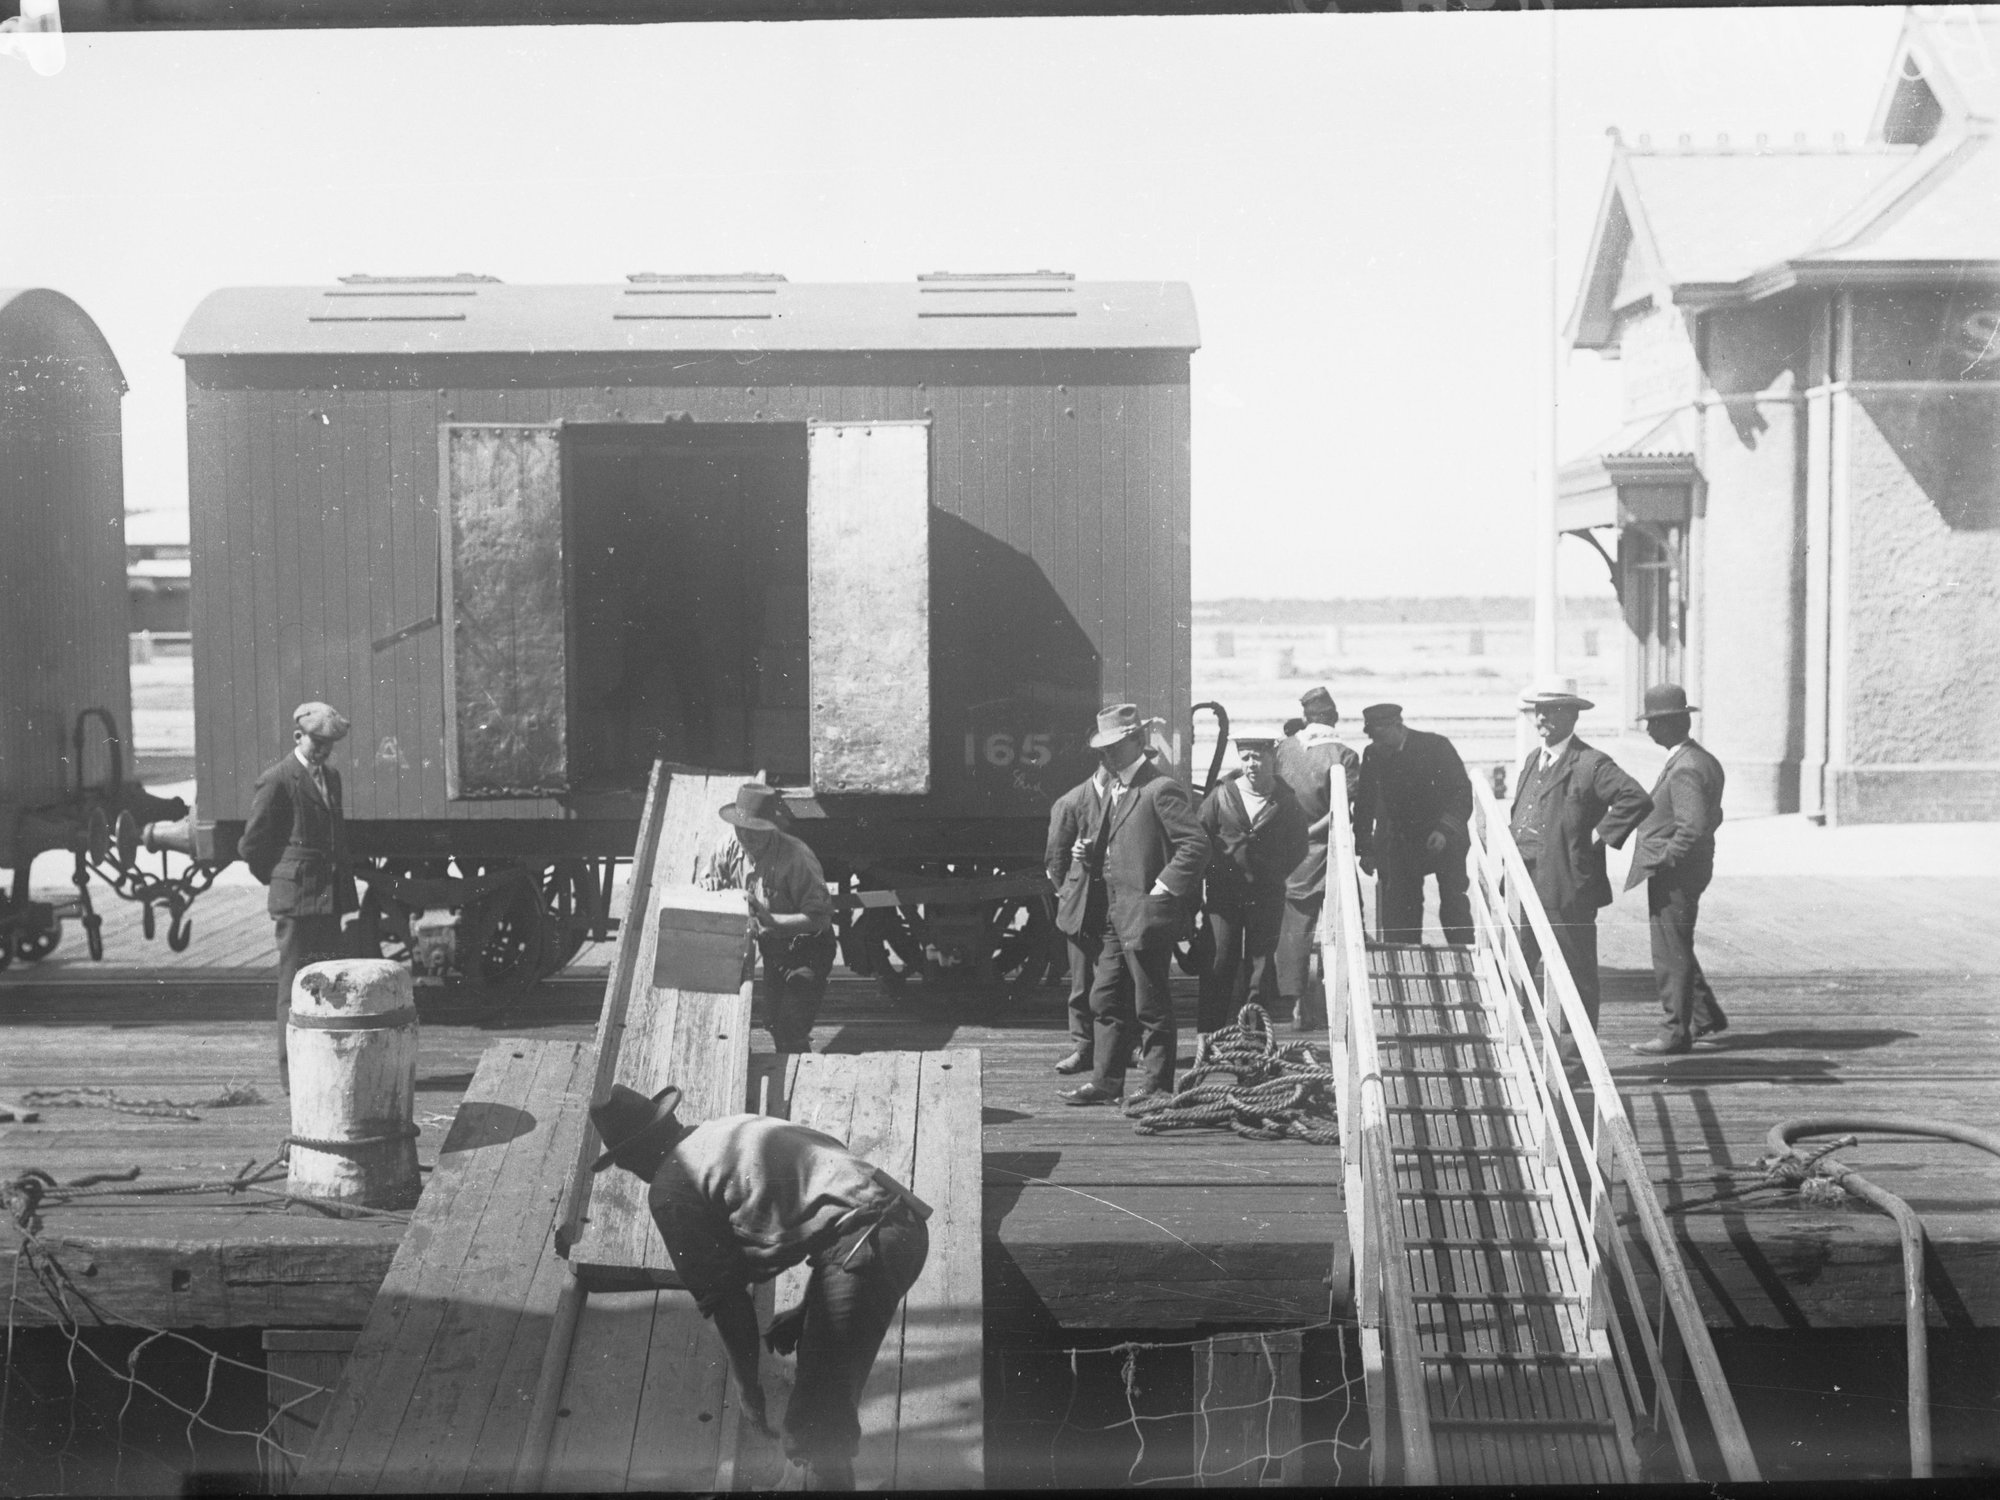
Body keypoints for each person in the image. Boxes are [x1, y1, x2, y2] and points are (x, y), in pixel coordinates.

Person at [589, 1082, 930, 1492]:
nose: (631, 1171)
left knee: (814, 1428)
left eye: (625, 1161)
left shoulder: (671, 1188)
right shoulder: (726, 1130)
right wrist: (808, 1309)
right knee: (821, 1410)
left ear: (631, 1155)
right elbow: (829, 1205)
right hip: (898, 1224)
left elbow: (726, 1300)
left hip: (867, 1242)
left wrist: (748, 1388)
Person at [1052, 703, 1208, 1109]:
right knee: (1104, 998)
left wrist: (1162, 888)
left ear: (1138, 741)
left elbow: (1195, 845)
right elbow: (1121, 845)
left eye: (1114, 746)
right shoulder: (1117, 789)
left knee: (1150, 1004)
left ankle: (1157, 1086)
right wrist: (1089, 854)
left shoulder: (1160, 788)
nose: (1106, 754)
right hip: (1115, 915)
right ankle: (1106, 1083)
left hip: (1145, 914)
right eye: (1102, 748)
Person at [1508, 676, 1651, 1046]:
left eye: (1552, 711)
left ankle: (1575, 1063)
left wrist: (1599, 835)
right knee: (1515, 968)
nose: (1542, 718)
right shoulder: (1533, 760)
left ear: (1572, 716)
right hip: (1523, 884)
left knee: (1573, 977)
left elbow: (1634, 797)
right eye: (1539, 711)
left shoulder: (1591, 764)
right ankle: (1513, 1048)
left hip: (1566, 886)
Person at [240, 702, 356, 1092]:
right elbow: (252, 845)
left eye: (329, 744)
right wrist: (281, 879)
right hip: (296, 901)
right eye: (316, 742)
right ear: (297, 737)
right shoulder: (276, 780)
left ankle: (325, 1067)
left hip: (327, 897)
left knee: (329, 986)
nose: (322, 750)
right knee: (293, 989)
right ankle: (293, 1078)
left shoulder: (331, 777)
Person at [1626, 684, 1729, 1056]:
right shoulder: (1702, 759)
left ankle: (1675, 1033)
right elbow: (1713, 816)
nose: (1649, 729)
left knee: (1670, 951)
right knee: (1677, 943)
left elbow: (1692, 826)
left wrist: (1666, 858)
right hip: (1692, 868)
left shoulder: (1684, 767)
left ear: (1672, 724)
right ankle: (1705, 1016)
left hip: (1676, 873)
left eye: (1654, 723)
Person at [711, 782, 837, 1054]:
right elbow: (712, 884)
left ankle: (801, 1072)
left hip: (808, 949)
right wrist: (708, 887)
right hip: (774, 950)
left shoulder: (796, 857)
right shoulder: (728, 846)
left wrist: (774, 921)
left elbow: (820, 919)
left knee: (791, 1024)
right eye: (741, 828)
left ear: (770, 828)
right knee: (772, 1022)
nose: (746, 836)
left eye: (755, 830)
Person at [1196, 736, 1308, 1033]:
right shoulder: (1220, 796)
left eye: (1258, 757)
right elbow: (1198, 839)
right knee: (1219, 961)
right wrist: (1212, 873)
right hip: (1224, 896)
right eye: (1245, 757)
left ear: (1272, 758)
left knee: (1260, 966)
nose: (1251, 764)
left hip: (1266, 895)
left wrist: (1274, 873)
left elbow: (1299, 846)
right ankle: (1210, 1034)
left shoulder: (1286, 801)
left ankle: (1256, 1036)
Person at [1272, 687, 1360, 1029]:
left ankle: (1295, 1004)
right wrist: (1312, 831)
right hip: (1329, 851)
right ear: (1334, 718)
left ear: (1305, 718)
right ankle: (1333, 999)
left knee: (1295, 928)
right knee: (1342, 922)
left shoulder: (1284, 749)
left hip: (1290, 854)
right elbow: (1342, 809)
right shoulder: (1344, 754)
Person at [1354, 704, 1474, 946]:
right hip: (1404, 842)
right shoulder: (1373, 754)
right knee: (1401, 909)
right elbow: (1364, 804)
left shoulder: (1436, 746)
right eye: (1373, 738)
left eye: (1381, 737)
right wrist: (1365, 849)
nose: (1378, 743)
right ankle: (1406, 956)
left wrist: (1444, 830)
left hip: (1444, 838)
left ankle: (1464, 952)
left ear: (1398, 726)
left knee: (1454, 902)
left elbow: (1461, 792)